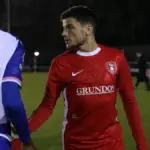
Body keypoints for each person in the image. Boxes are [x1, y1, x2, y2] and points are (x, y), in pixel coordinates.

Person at [12, 5, 148, 150]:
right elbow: (47, 105)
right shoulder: (60, 63)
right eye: (63, 28)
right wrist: (23, 130)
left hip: (112, 144)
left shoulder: (116, 58)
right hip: (76, 144)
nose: (64, 33)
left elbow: (130, 102)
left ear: (88, 29)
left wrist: (142, 144)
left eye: (70, 27)